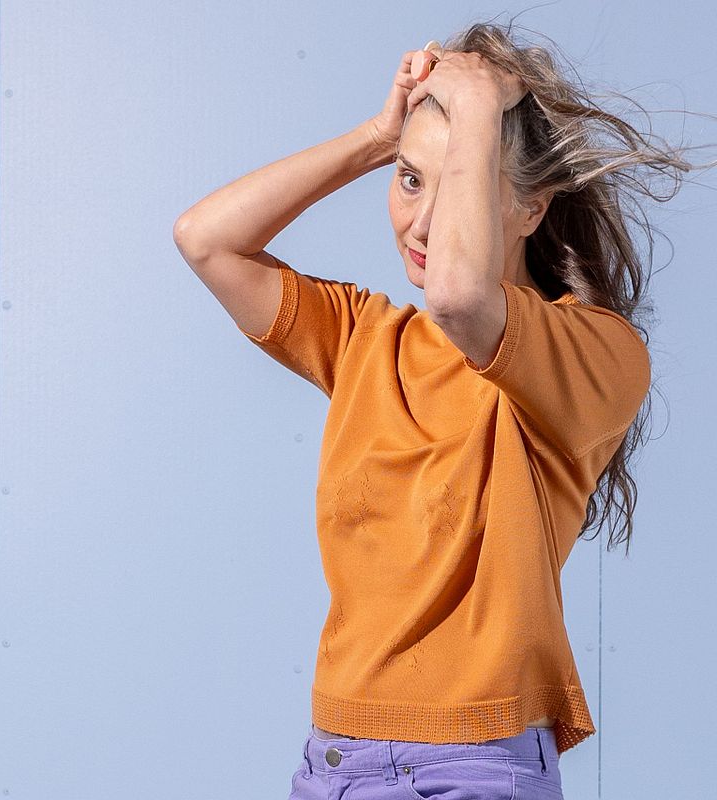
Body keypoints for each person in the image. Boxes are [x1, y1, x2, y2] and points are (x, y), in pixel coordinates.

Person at [173, 18, 710, 800]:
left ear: (531, 209)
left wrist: (481, 108)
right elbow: (205, 239)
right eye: (409, 180)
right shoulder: (363, 339)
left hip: (475, 765)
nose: (420, 223)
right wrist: (375, 137)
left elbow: (461, 297)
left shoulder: (597, 353)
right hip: (334, 762)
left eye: (457, 184)